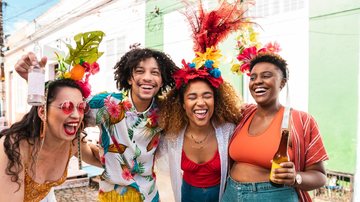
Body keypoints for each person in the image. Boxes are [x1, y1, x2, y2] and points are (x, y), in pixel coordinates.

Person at [15, 47, 179, 202]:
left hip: (149, 196)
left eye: (155, 72)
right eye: (140, 71)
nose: (148, 77)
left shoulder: (167, 112)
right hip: (110, 196)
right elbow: (61, 107)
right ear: (129, 78)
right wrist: (34, 82)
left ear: (162, 79)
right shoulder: (106, 104)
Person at [156, 1, 252, 201]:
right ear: (182, 104)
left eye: (207, 95)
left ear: (217, 100)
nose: (200, 102)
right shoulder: (172, 137)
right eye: (192, 96)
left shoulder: (229, 130)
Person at [222, 52, 329, 202]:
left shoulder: (300, 120)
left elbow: (320, 176)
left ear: (282, 82)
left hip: (275, 196)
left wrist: (295, 177)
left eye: (266, 76)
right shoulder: (243, 115)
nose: (257, 81)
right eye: (253, 77)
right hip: (231, 194)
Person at [0, 78, 102, 201]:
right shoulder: (13, 148)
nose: (76, 115)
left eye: (81, 107)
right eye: (67, 106)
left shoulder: (73, 142)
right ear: (43, 112)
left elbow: (98, 158)